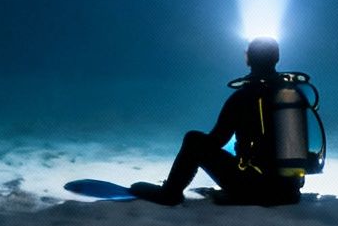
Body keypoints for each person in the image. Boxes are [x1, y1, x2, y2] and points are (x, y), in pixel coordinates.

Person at [130, 37, 305, 207]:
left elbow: (216, 141)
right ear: (277, 58)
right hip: (289, 192)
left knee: (193, 140)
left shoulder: (243, 97)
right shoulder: (293, 94)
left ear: (248, 59)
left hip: (255, 188)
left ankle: (170, 194)